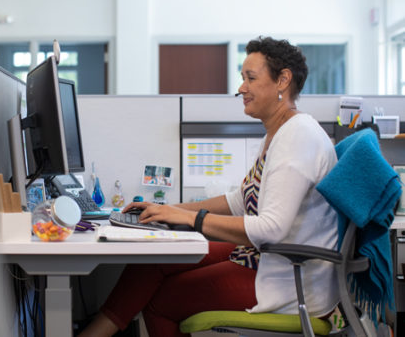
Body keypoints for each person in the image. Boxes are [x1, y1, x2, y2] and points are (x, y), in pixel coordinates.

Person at [78, 36, 339, 337]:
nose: (241, 88)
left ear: (283, 80)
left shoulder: (298, 138)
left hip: (287, 281)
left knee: (163, 301)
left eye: (251, 78)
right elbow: (240, 201)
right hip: (265, 259)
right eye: (243, 78)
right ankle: (96, 332)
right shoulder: (278, 133)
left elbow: (270, 229)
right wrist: (169, 210)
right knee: (152, 262)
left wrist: (192, 219)